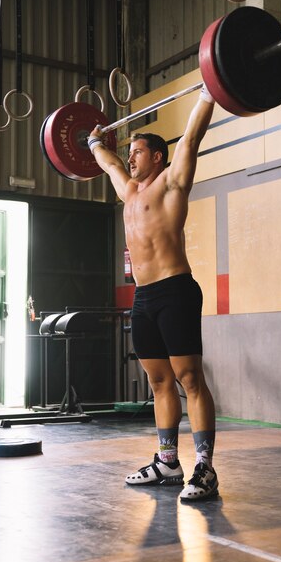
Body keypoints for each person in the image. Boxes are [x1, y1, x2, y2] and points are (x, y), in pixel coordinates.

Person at [87, 84, 218, 501]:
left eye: (138, 151)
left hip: (175, 291)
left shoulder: (172, 183)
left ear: (157, 156)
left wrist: (209, 94)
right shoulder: (128, 191)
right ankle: (167, 462)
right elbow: (106, 162)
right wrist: (92, 143)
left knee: (189, 379)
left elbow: (192, 137)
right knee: (159, 382)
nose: (131, 157)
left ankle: (205, 469)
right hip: (142, 298)